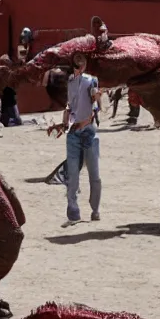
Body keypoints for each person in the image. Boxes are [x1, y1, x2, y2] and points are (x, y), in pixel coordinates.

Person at [59, 53, 100, 226]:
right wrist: (64, 120)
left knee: (94, 174)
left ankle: (95, 209)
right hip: (73, 132)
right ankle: (73, 212)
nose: (79, 66)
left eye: (82, 62)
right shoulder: (69, 81)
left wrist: (96, 103)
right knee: (72, 174)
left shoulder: (92, 80)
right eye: (77, 63)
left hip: (88, 131)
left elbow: (95, 103)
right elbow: (70, 104)